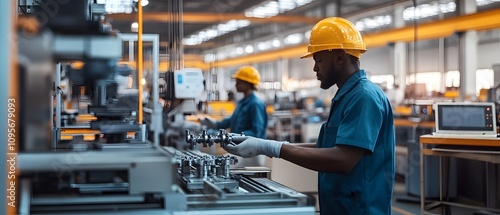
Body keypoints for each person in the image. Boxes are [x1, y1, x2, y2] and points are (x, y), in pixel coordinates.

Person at [223, 17, 395, 215]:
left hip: (361, 208)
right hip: (341, 206)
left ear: (340, 58)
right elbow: (326, 148)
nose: (314, 68)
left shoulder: (363, 97)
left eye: (318, 60)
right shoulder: (346, 96)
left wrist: (271, 148)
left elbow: (343, 159)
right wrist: (263, 144)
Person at [202, 66, 268, 166]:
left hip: (252, 152)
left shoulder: (255, 103)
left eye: (239, 82)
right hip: (241, 148)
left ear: (247, 84)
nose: (236, 85)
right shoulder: (242, 102)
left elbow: (256, 132)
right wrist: (216, 124)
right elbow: (233, 120)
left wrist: (231, 136)